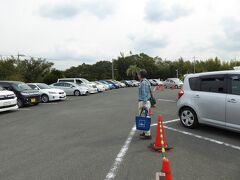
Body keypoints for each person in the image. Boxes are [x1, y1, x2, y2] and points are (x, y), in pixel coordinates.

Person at [137, 69, 152, 139]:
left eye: (138, 74)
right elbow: (150, 91)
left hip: (144, 102)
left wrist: (144, 104)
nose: (138, 75)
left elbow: (144, 93)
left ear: (140, 75)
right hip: (146, 101)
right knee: (144, 118)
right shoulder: (146, 81)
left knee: (145, 118)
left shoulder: (143, 83)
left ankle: (147, 134)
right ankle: (145, 131)